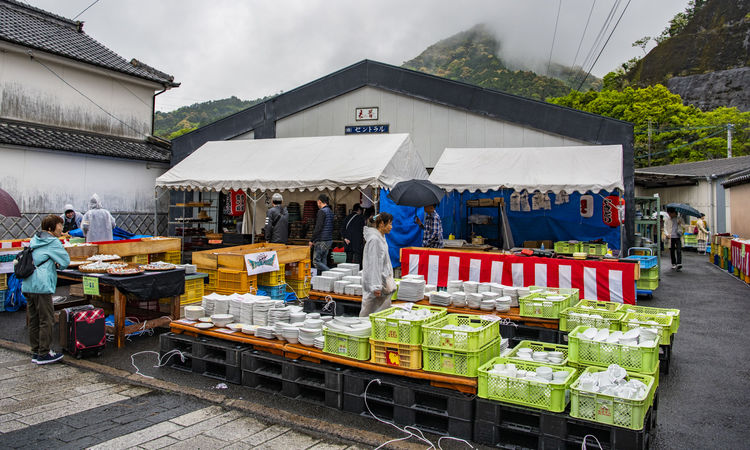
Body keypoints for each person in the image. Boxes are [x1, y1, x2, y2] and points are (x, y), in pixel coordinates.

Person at [21, 214, 70, 364]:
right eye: (59, 225)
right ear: (51, 228)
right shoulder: (53, 242)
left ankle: (36, 352)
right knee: (46, 319)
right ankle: (45, 353)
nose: (61, 228)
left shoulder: (35, 239)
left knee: (34, 319)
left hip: (28, 283)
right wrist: (57, 264)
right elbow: (65, 261)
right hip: (42, 285)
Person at [360, 213, 396, 316]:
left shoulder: (381, 238)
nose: (391, 227)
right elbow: (373, 265)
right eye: (389, 224)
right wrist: (376, 286)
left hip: (381, 283)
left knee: (379, 316)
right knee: (368, 317)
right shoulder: (375, 240)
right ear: (381, 224)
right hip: (376, 286)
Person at [309, 194, 334, 273]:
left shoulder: (321, 212)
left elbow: (318, 227)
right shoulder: (330, 211)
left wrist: (312, 240)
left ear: (319, 202)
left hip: (321, 240)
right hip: (329, 239)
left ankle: (330, 272)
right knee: (323, 260)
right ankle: (322, 279)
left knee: (316, 261)